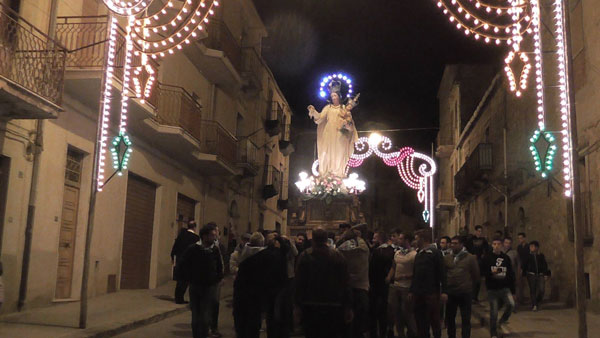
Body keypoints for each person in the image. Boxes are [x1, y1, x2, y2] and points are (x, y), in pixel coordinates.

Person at [295, 228, 353, 338]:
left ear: (313, 240)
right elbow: (345, 282)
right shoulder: (338, 256)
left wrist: (297, 305)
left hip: (310, 304)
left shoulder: (305, 256)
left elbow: (299, 282)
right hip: (334, 305)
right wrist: (348, 306)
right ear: (327, 239)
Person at [233, 232, 286, 338]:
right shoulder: (268, 256)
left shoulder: (243, 254)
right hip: (260, 295)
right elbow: (284, 254)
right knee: (255, 323)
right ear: (262, 243)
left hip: (243, 296)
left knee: (244, 326)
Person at [176, 223, 224, 338]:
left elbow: (219, 267)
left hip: (209, 287)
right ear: (205, 236)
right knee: (196, 314)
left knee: (205, 315)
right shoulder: (193, 249)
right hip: (195, 286)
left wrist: (217, 279)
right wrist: (189, 277)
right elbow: (182, 264)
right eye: (212, 235)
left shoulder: (215, 250)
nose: (214, 237)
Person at [308, 81, 359, 177]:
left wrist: (347, 125)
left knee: (339, 154)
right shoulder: (328, 108)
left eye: (335, 96)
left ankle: (338, 175)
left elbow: (350, 125)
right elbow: (319, 118)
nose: (334, 98)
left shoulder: (344, 109)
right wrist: (313, 111)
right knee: (327, 153)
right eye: (332, 96)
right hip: (328, 134)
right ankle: (327, 174)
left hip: (340, 135)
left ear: (339, 96)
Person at [409, 229, 447, 338]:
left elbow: (442, 272)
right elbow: (415, 274)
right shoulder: (418, 254)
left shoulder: (435, 253)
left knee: (434, 320)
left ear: (422, 239)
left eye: (416, 239)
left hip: (431, 293)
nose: (415, 242)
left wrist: (444, 291)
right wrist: (412, 290)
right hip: (418, 293)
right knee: (420, 320)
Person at [337, 224, 370, 338]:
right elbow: (364, 246)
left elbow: (337, 248)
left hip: (346, 288)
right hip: (361, 287)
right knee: (359, 322)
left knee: (345, 322)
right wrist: (359, 237)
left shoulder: (341, 250)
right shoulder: (363, 249)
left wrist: (343, 236)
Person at [444, 236, 479, 338]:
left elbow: (476, 275)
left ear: (461, 245)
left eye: (455, 243)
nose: (452, 245)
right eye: (452, 243)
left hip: (465, 292)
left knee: (466, 319)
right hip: (451, 293)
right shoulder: (447, 258)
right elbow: (444, 274)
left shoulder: (470, 258)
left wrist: (470, 287)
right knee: (450, 318)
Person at [386, 231, 417, 338]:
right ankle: (400, 334)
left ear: (407, 241)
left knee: (407, 314)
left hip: (406, 288)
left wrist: (404, 277)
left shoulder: (414, 255)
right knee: (396, 313)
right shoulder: (397, 253)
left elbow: (417, 273)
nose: (398, 240)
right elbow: (393, 267)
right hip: (396, 287)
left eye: (400, 238)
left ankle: (413, 334)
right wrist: (389, 277)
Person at [482, 238, 515, 338]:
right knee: (494, 311)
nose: (496, 246)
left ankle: (502, 322)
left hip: (504, 287)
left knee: (511, 305)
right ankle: (493, 332)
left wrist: (513, 290)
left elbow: (510, 274)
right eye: (494, 244)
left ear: (501, 246)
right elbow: (483, 271)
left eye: (498, 244)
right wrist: (492, 273)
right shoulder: (487, 257)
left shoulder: (506, 258)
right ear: (492, 245)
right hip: (492, 288)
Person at [369, 231, 395, 338]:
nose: (373, 240)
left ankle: (374, 333)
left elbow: (371, 269)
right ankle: (385, 332)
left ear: (379, 239)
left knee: (374, 311)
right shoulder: (392, 251)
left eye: (375, 238)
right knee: (385, 310)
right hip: (387, 284)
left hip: (375, 284)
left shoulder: (377, 252)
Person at [171, 220, 200, 304]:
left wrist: (173, 256)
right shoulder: (196, 238)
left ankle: (177, 297)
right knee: (185, 281)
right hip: (189, 263)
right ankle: (180, 299)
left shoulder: (181, 235)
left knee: (180, 280)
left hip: (180, 260)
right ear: (194, 227)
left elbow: (175, 246)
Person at [521, 240, 550, 311]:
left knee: (541, 289)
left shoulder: (541, 256)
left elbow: (545, 265)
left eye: (532, 246)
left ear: (537, 247)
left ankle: (537, 301)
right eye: (530, 246)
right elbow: (524, 265)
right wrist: (523, 275)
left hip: (540, 275)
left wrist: (546, 274)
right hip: (531, 275)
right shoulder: (527, 256)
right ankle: (534, 304)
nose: (531, 248)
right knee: (533, 290)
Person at [466, 225, 489, 303]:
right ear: (475, 231)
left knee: (478, 279)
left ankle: (475, 297)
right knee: (471, 279)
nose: (479, 233)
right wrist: (471, 255)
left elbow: (487, 249)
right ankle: (470, 296)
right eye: (478, 231)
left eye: (480, 231)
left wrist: (484, 255)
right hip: (471, 261)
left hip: (480, 262)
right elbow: (466, 249)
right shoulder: (470, 240)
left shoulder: (483, 240)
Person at [516, 233, 529, 304]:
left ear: (524, 238)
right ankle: (521, 298)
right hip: (521, 267)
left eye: (521, 238)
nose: (520, 240)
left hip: (528, 267)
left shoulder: (528, 246)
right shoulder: (519, 247)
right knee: (521, 283)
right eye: (519, 238)